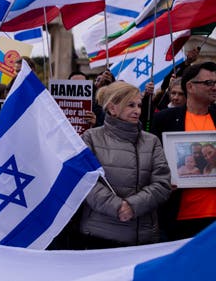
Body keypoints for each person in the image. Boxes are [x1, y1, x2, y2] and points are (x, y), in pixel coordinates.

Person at [77, 81, 171, 248]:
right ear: (112, 108)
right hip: (100, 236)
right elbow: (85, 182)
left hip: (143, 237)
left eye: (139, 105)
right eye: (130, 105)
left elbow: (162, 184)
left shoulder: (151, 141)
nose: (137, 111)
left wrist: (133, 206)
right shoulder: (91, 137)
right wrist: (117, 207)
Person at [152, 61, 216, 240]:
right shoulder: (165, 119)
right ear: (190, 86)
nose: (214, 87)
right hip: (178, 218)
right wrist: (163, 181)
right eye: (208, 83)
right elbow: (153, 160)